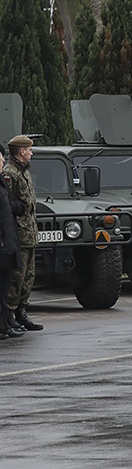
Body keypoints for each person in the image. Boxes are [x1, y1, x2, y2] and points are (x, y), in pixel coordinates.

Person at [3, 135, 41, 331]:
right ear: (22, 151)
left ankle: (21, 312)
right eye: (30, 150)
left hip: (29, 233)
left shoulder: (24, 172)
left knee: (29, 276)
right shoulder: (10, 173)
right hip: (18, 234)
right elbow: (7, 206)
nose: (32, 153)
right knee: (16, 277)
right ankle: (9, 314)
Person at [0, 144, 25, 339]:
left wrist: (18, 206)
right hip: (3, 243)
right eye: (0, 159)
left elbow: (7, 207)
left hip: (7, 241)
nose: (3, 161)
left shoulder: (1, 181)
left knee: (5, 284)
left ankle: (5, 323)